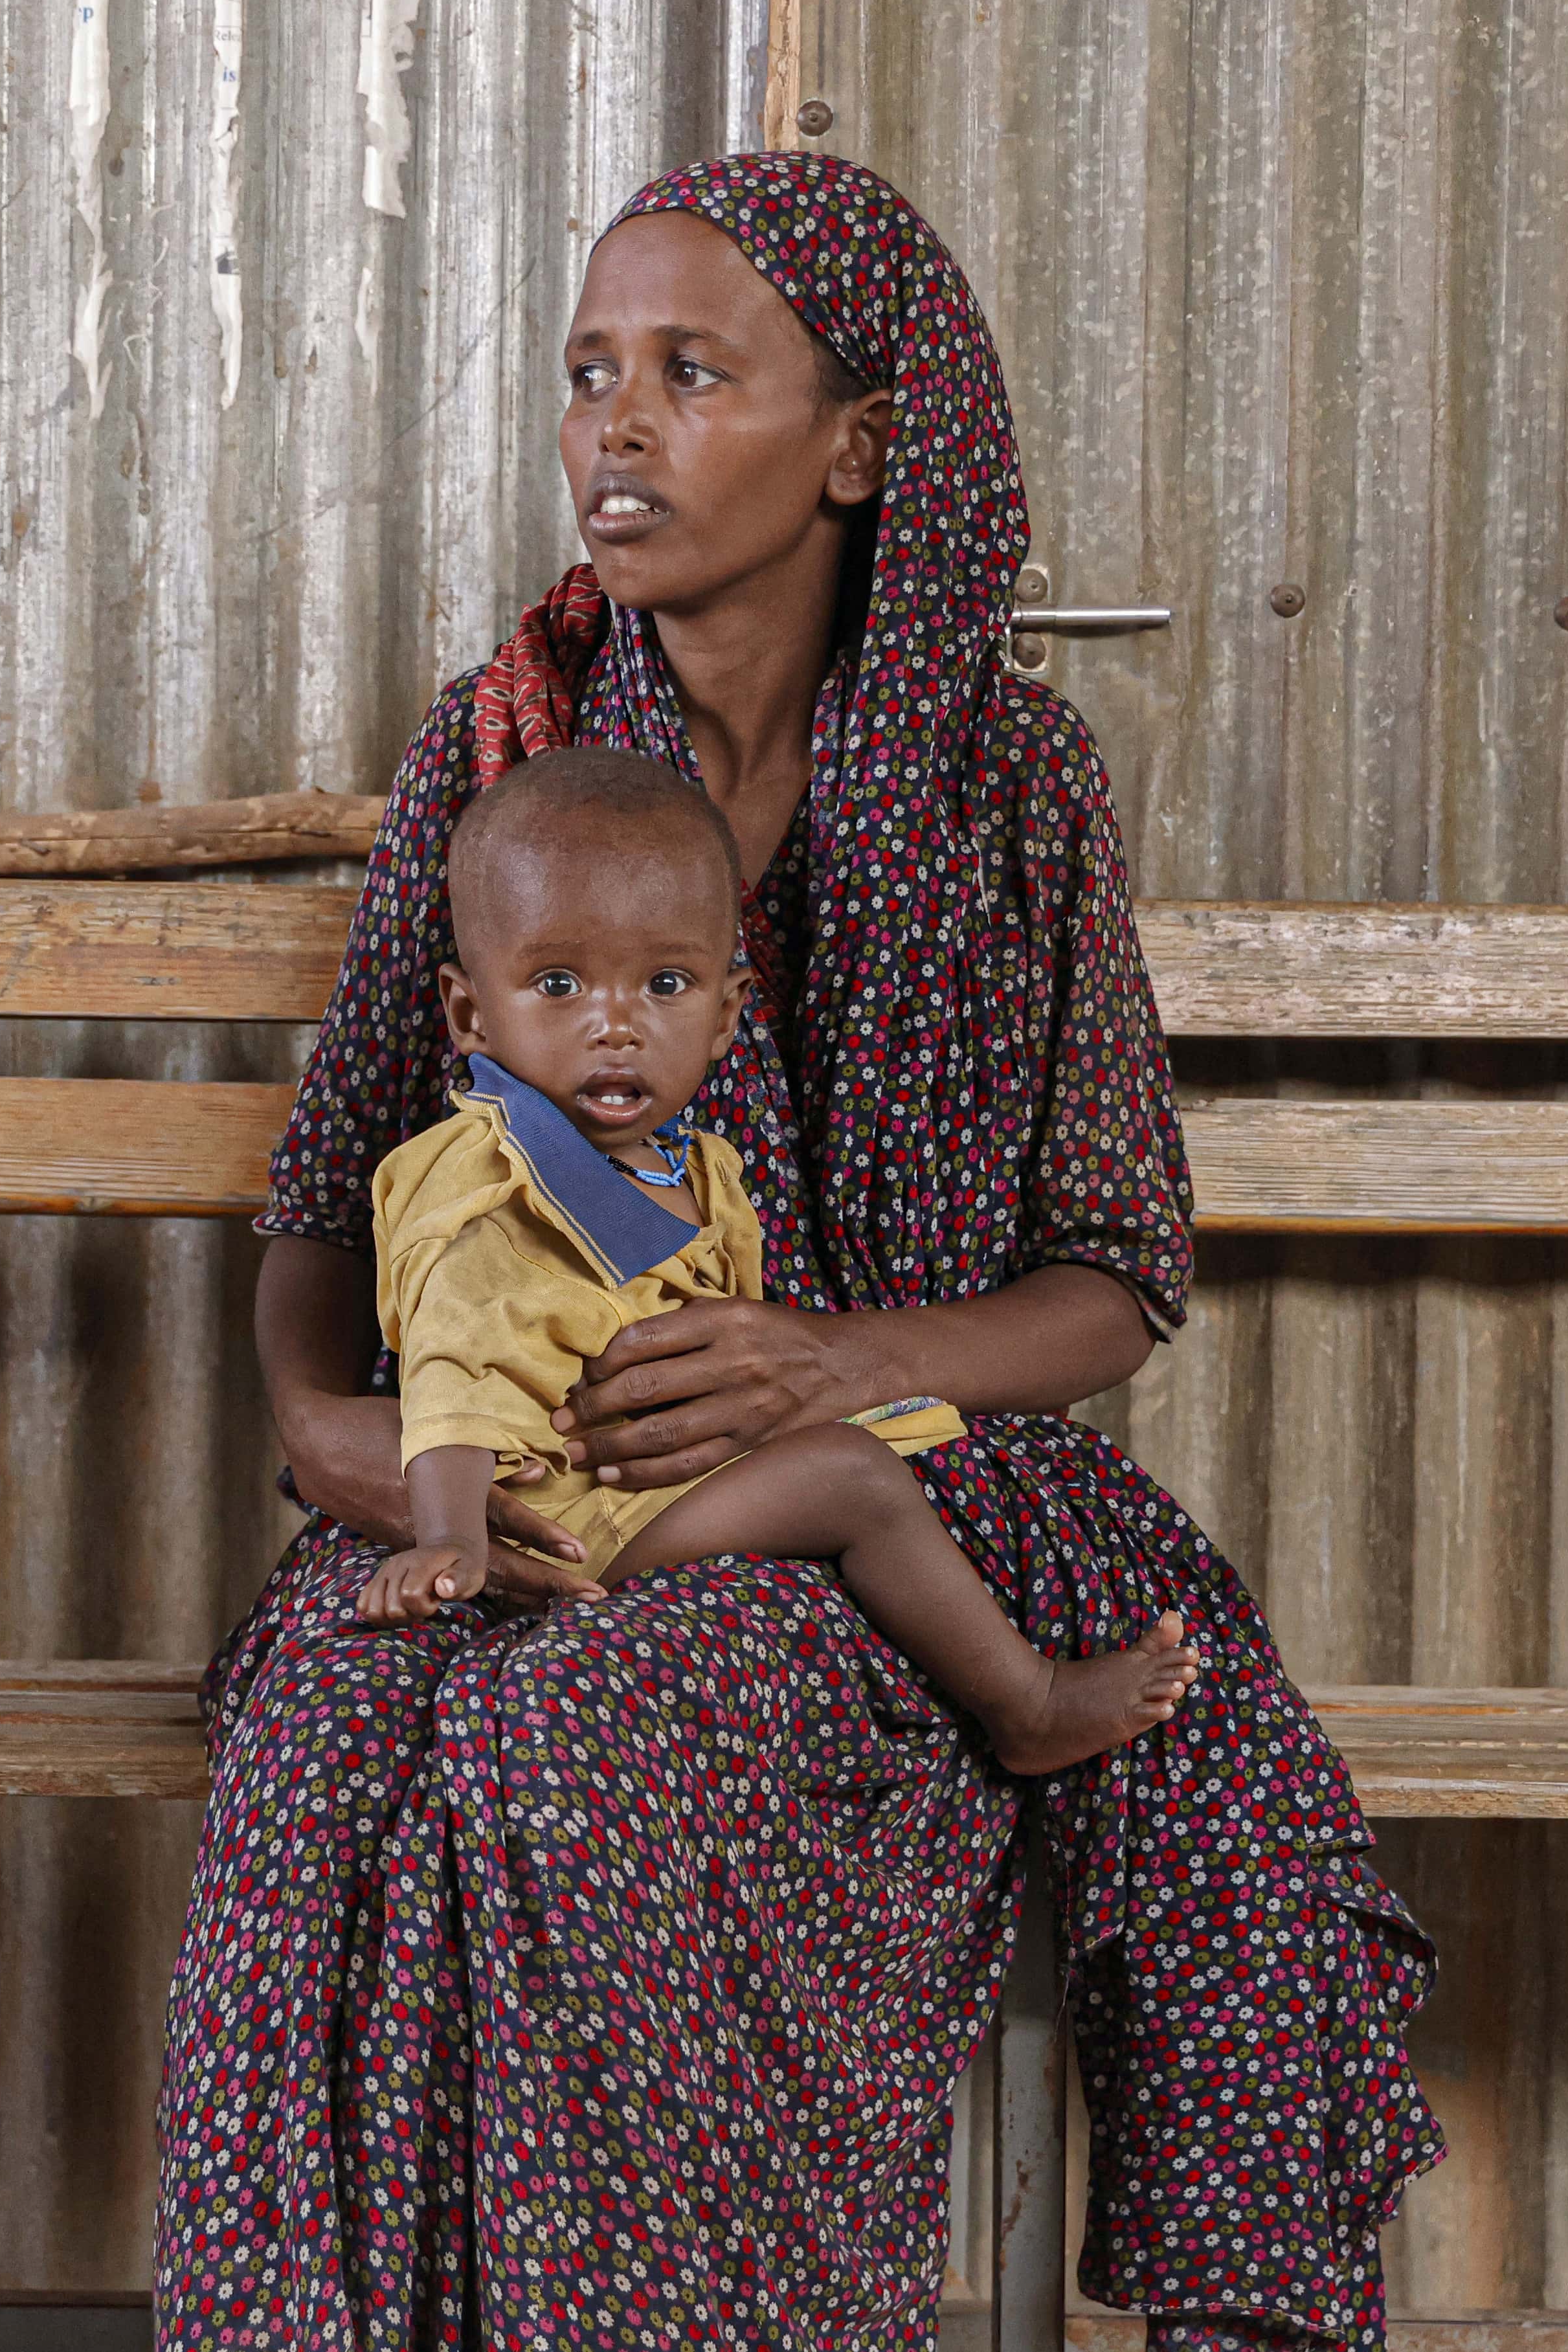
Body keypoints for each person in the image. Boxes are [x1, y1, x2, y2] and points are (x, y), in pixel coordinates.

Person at [0, 152, 1444, 2352]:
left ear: (864, 441)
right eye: (583, 368)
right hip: (481, 1499)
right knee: (323, 1772)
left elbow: (1106, 1281)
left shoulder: (994, 784)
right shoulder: (499, 740)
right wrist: (362, 1454)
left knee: (605, 1785)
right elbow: (317, 1226)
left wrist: (824, 1365)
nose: (612, 426)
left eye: (688, 370)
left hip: (855, 1531)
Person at [349, 739, 1200, 1780]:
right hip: (561, 1513)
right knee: (851, 1479)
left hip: (650, 1482)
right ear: (470, 1014)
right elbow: (451, 1366)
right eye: (559, 983)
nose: (615, 1026)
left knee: (881, 1464)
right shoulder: (484, 1181)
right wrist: (448, 1543)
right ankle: (1027, 1703)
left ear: (726, 1016)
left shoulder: (696, 1167)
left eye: (664, 984)